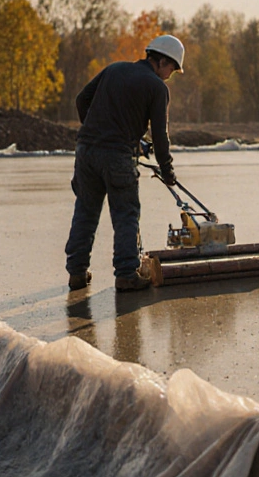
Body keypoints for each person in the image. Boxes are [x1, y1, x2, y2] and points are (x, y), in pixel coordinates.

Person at [65, 35, 183, 292]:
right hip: (117, 156)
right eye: (171, 69)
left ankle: (76, 272)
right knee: (126, 214)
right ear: (161, 60)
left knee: (85, 210)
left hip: (86, 150)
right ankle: (126, 274)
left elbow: (81, 100)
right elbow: (161, 136)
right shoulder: (157, 87)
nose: (170, 76)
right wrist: (167, 170)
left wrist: (98, 131)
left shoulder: (115, 69)